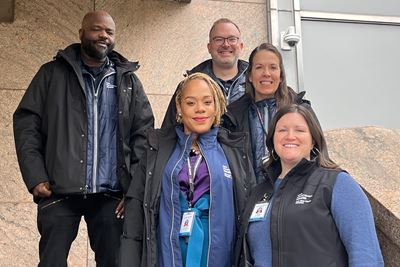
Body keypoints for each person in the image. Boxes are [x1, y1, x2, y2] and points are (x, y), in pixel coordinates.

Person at [13, 11, 154, 267]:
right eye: (96, 29)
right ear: (81, 33)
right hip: (58, 191)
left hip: (111, 196)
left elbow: (143, 136)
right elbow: (26, 124)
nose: (103, 36)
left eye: (109, 32)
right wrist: (35, 176)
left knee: (115, 262)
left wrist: (133, 188)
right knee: (51, 263)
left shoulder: (128, 81)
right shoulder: (51, 74)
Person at [120, 73, 256, 267]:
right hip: (168, 254)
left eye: (207, 102)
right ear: (179, 107)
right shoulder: (157, 150)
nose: (200, 109)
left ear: (216, 106)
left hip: (219, 254)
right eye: (191, 103)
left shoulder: (235, 151)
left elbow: (248, 218)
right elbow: (135, 216)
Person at [235, 104, 384, 267]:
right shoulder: (259, 192)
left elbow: (366, 255)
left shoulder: (337, 184)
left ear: (313, 140)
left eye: (299, 130)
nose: (290, 136)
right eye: (282, 130)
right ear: (272, 139)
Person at [223, 42, 314, 184]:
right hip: (251, 200)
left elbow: (319, 157)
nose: (266, 73)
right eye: (259, 67)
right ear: (250, 76)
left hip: (294, 195)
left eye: (273, 67)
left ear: (281, 75)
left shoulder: (302, 110)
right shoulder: (232, 117)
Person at [161, 18, 247, 127]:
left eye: (232, 39)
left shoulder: (255, 83)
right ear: (209, 47)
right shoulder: (188, 86)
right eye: (218, 39)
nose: (226, 44)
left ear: (241, 46)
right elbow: (169, 131)